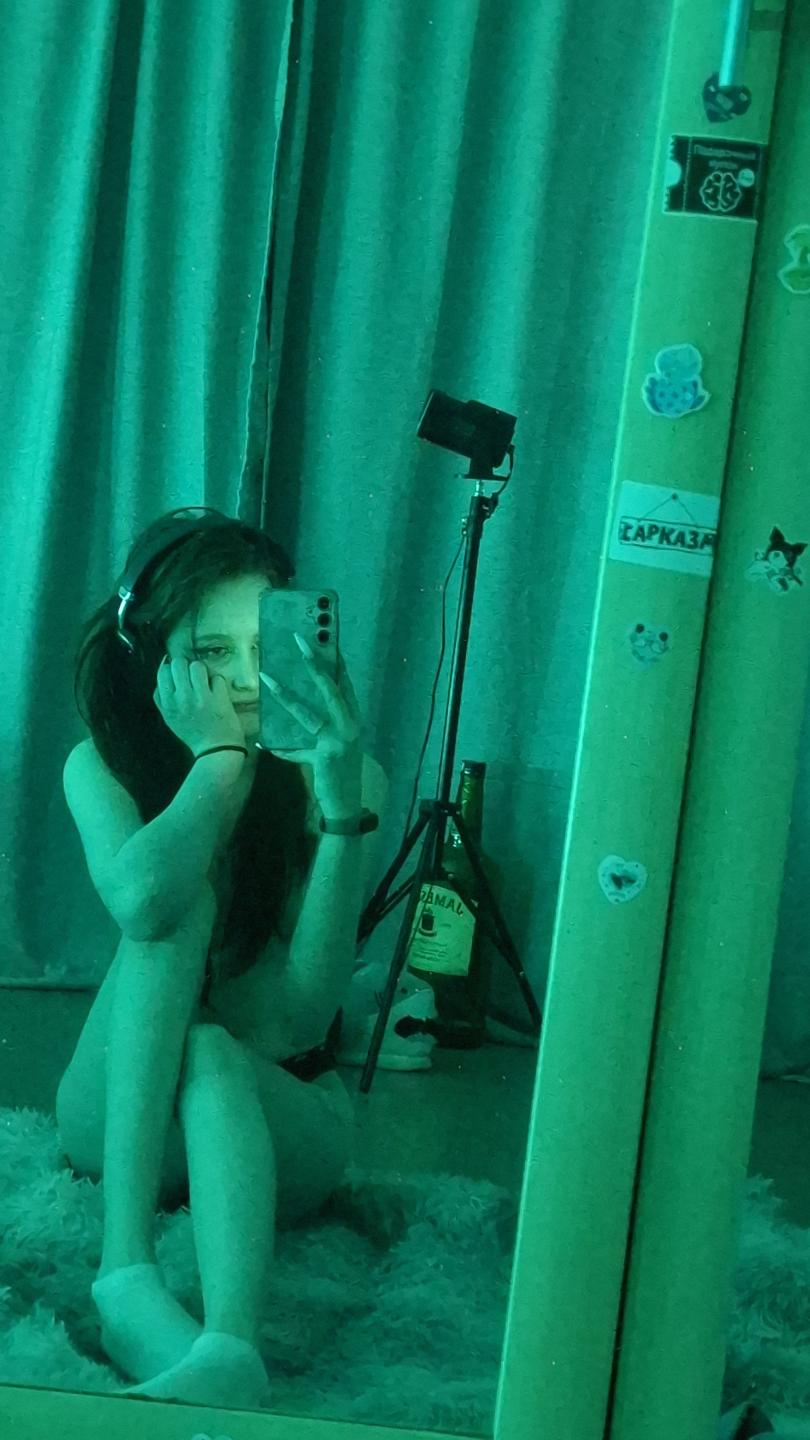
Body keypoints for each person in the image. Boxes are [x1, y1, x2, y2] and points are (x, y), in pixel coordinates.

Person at [54, 511, 385, 1407]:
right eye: (211, 651)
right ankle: (125, 1270)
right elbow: (140, 903)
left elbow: (300, 1020)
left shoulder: (337, 776)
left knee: (212, 1048)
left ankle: (230, 1345)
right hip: (121, 1113)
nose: (243, 677)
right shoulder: (100, 765)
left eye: (261, 645)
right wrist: (217, 765)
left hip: (267, 1110)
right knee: (176, 900)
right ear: (150, 655)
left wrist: (339, 803)